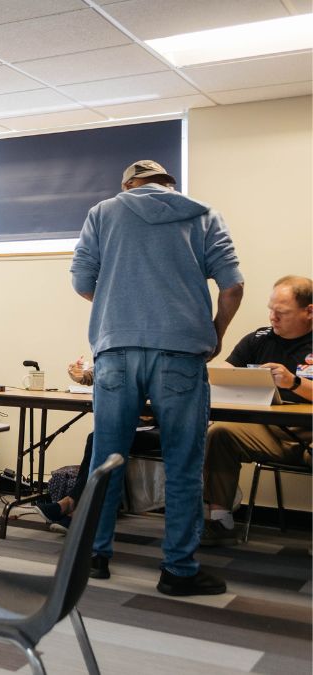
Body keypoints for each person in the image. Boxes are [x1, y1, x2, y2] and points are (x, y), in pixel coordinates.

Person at [71, 159, 243, 596]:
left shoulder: (103, 212)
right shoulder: (202, 214)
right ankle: (178, 571)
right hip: (182, 355)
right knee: (184, 465)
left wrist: (120, 302)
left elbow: (81, 282)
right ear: (170, 185)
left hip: (115, 354)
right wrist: (217, 334)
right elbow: (233, 286)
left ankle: (95, 556)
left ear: (128, 185)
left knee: (106, 460)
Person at [202, 275, 312, 546]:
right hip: (270, 430)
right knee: (221, 434)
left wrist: (295, 383)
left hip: (308, 432)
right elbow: (220, 374)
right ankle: (220, 522)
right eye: (271, 309)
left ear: (309, 312)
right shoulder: (259, 339)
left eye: (282, 312)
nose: (273, 317)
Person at [34, 358, 160, 531]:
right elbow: (106, 370)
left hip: (162, 428)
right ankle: (72, 504)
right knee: (96, 437)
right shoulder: (124, 352)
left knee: (98, 439)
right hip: (138, 423)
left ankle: (76, 510)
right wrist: (82, 374)